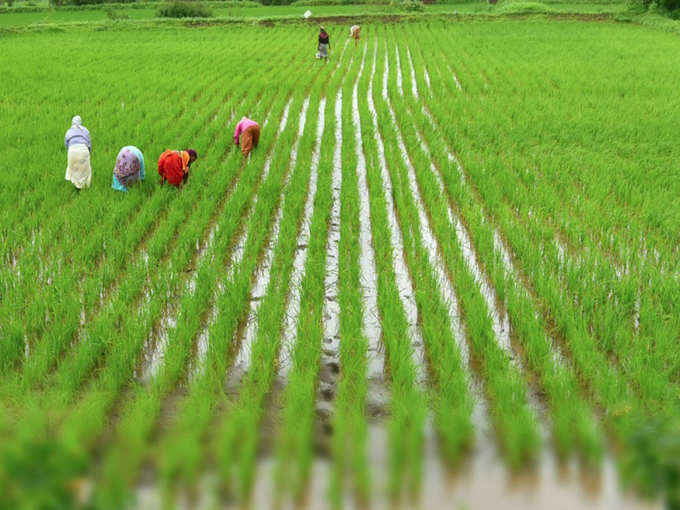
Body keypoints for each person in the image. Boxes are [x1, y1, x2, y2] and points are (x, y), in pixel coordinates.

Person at [64, 115, 92, 190]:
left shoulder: (68, 132)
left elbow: (67, 145)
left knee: (74, 169)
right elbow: (89, 144)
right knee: (85, 170)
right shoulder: (85, 130)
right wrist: (88, 153)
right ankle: (85, 187)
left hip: (72, 151)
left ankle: (78, 187)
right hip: (84, 150)